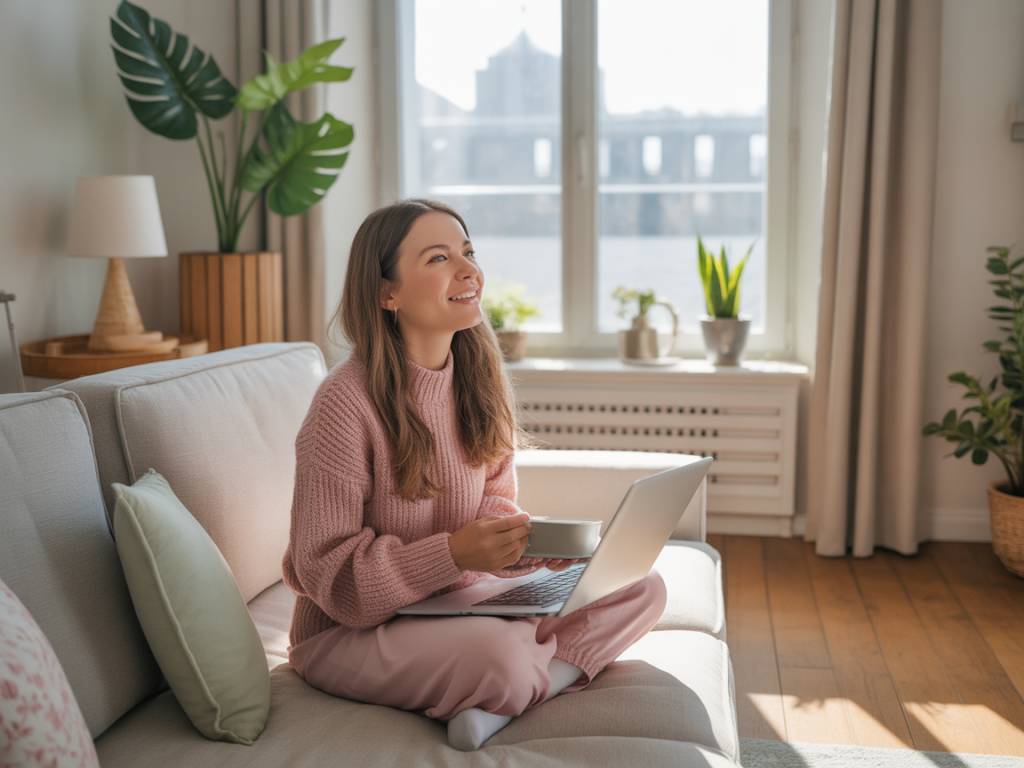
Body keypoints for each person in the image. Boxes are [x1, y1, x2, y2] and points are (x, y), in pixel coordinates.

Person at [281, 199, 667, 751]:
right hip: (348, 632)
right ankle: (523, 671)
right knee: (500, 658)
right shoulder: (343, 405)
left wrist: (524, 547)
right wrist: (455, 553)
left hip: (455, 599)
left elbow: (493, 500)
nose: (469, 272)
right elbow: (334, 579)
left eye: (468, 252)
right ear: (385, 293)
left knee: (641, 585)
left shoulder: (478, 379)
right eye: (439, 259)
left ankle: (507, 704)